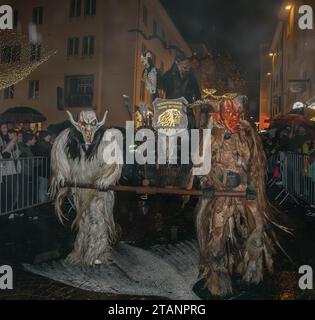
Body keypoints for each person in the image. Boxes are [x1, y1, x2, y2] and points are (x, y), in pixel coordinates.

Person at [33, 131, 52, 202]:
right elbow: (47, 151)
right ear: (44, 136)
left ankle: (43, 200)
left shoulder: (45, 144)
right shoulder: (41, 144)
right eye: (48, 136)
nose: (49, 137)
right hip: (42, 169)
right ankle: (41, 201)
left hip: (44, 169)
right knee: (42, 186)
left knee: (44, 185)